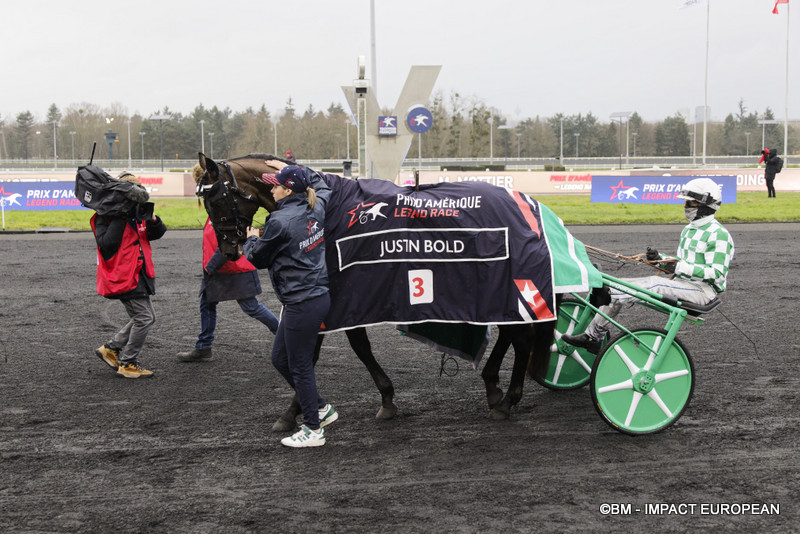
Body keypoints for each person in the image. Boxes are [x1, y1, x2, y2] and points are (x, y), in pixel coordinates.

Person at [563, 178, 735, 354]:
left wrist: (676, 267)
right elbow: (682, 263)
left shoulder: (718, 234)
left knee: (654, 283)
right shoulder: (689, 230)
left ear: (706, 205)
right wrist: (660, 259)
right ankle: (592, 337)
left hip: (702, 292)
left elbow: (717, 273)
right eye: (685, 202)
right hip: (684, 285)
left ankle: (607, 296)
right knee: (618, 284)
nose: (685, 206)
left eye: (691, 202)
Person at [243, 161, 337, 448]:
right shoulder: (316, 206)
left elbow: (257, 259)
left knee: (299, 366)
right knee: (280, 359)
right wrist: (292, 167)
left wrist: (250, 240)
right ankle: (321, 408)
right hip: (314, 298)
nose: (271, 190)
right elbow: (321, 184)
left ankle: (313, 429)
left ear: (288, 191)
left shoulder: (279, 221)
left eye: (276, 186)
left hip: (301, 302)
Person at [176, 166, 279, 362]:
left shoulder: (227, 206)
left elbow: (229, 242)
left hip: (233, 267)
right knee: (207, 304)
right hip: (221, 267)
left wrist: (211, 266)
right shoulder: (218, 205)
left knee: (251, 307)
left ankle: (284, 335)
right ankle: (204, 346)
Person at [93, 172, 167, 378]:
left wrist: (152, 218)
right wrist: (122, 216)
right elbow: (106, 244)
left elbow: (158, 232)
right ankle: (128, 363)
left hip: (140, 273)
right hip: (123, 275)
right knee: (144, 318)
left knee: (147, 317)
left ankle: (111, 348)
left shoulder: (138, 213)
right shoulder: (105, 215)